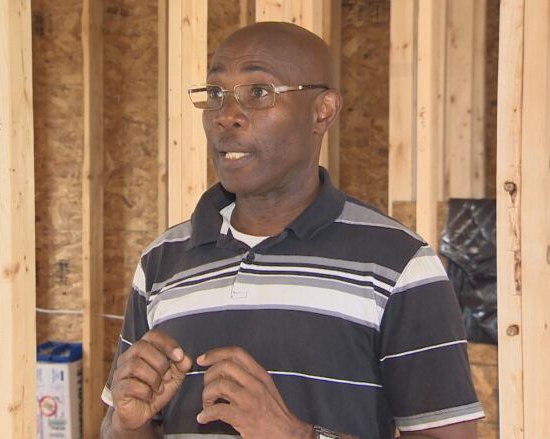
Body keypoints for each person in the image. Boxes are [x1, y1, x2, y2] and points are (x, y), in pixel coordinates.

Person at [100, 22, 483, 439]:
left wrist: (299, 435)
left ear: (323, 111)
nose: (226, 116)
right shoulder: (161, 261)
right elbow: (119, 427)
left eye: (259, 92)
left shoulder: (399, 266)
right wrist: (124, 423)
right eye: (215, 95)